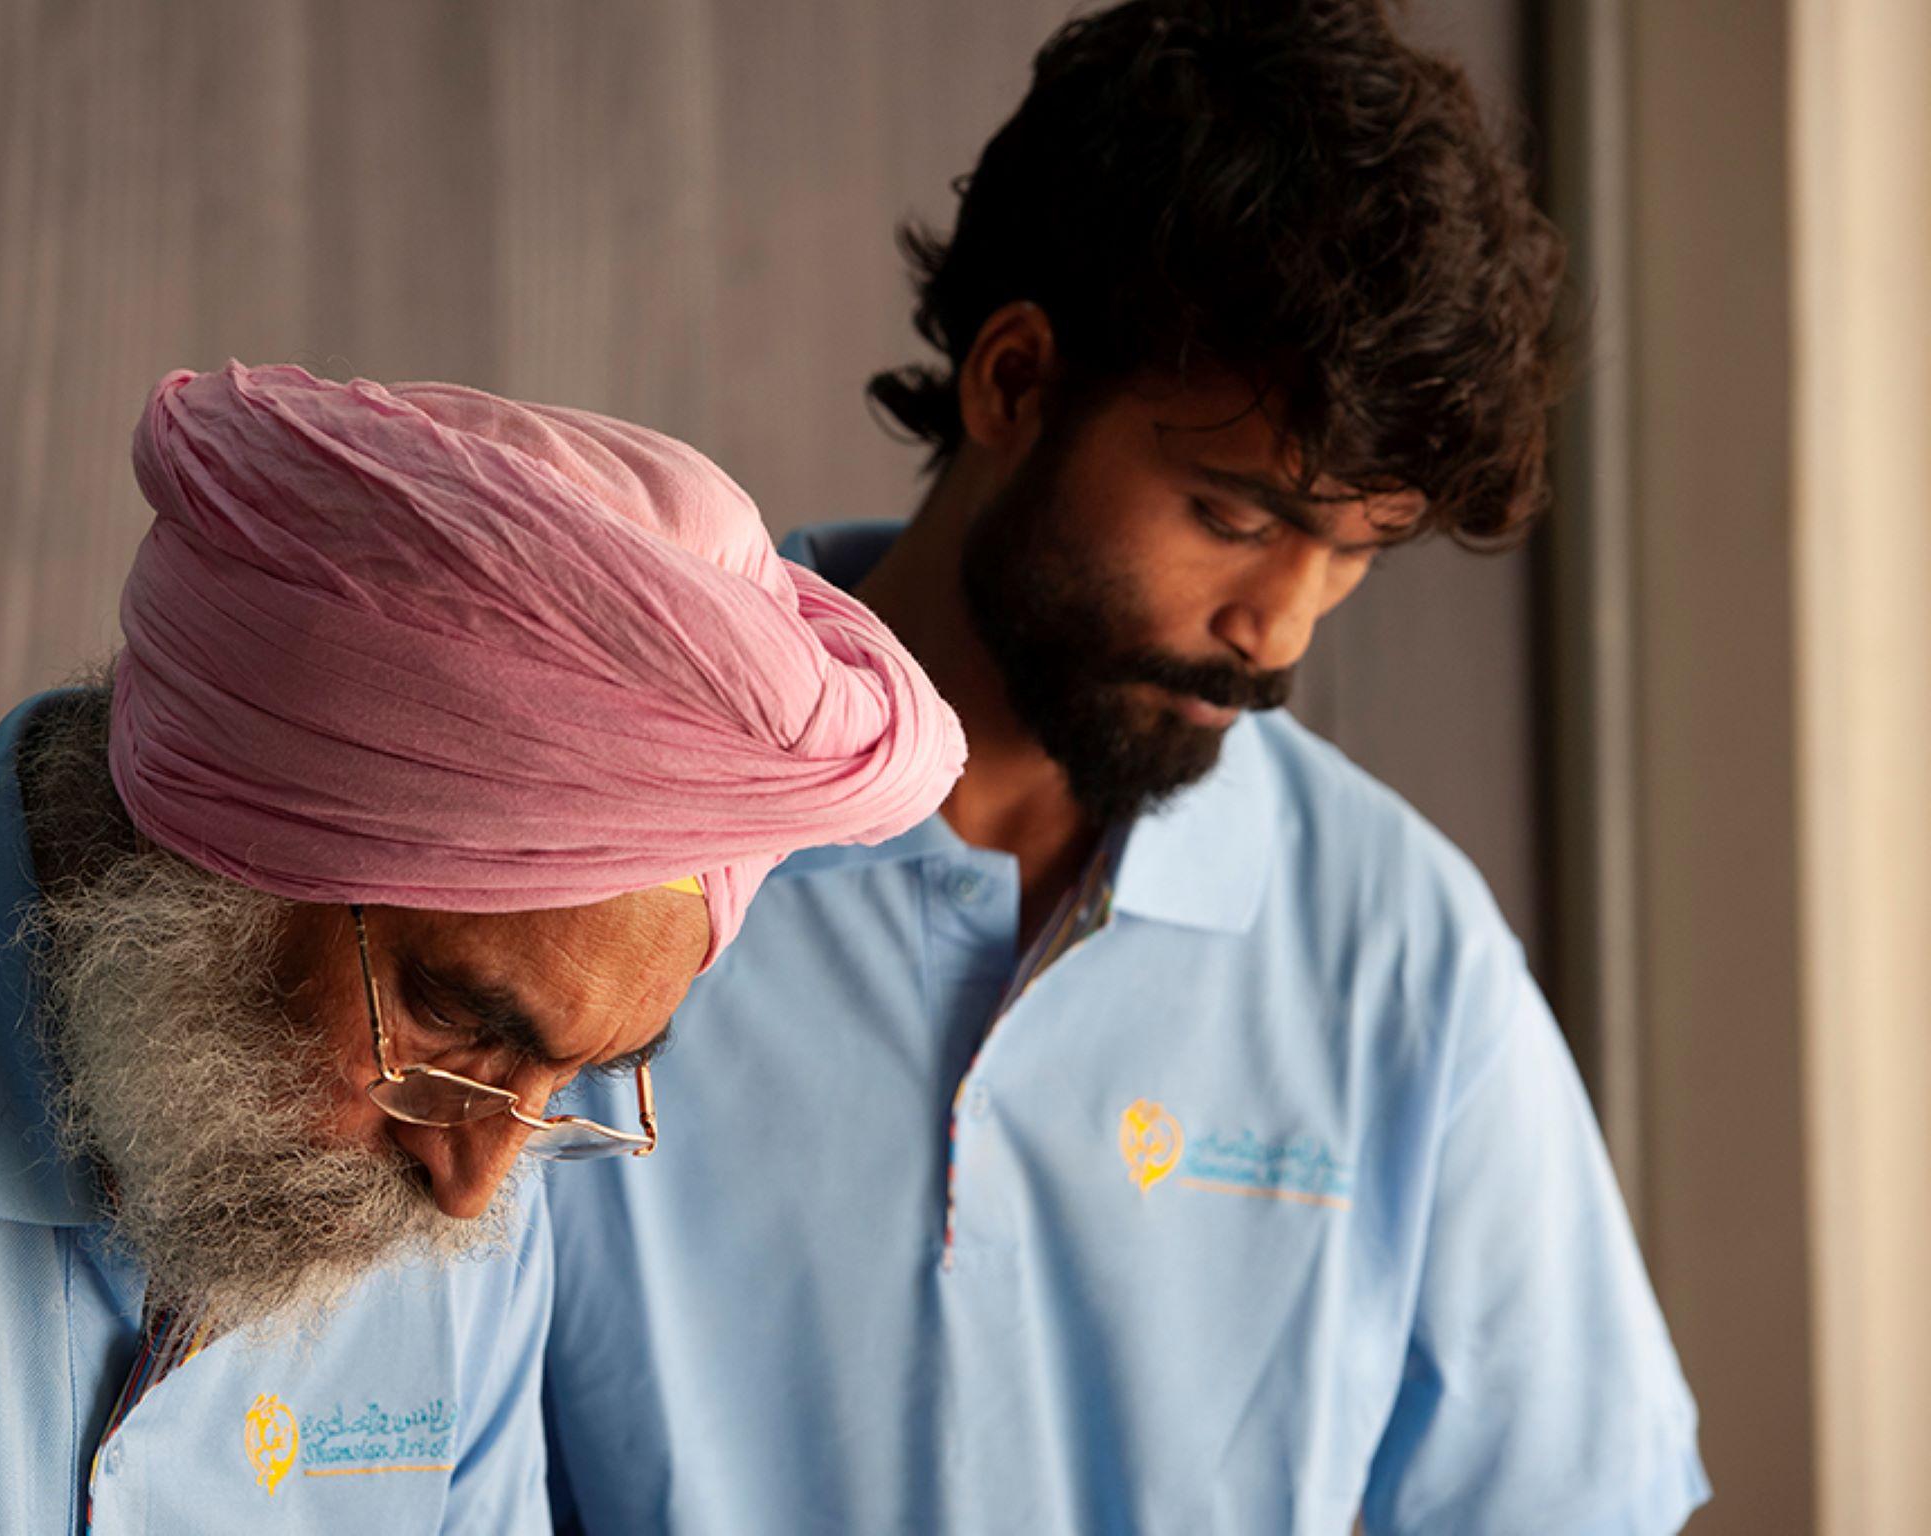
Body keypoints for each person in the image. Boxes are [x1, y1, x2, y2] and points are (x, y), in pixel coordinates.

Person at [542, 3, 1708, 1532]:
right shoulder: (593, 846)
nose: (1280, 627)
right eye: (1235, 518)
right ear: (1016, 383)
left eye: (1355, 552)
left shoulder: (1397, 953)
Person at [0, 362, 963, 1534]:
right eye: (455, 1017)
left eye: (580, 1081)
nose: (475, 1181)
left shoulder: (470, 1204)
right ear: (222, 854)